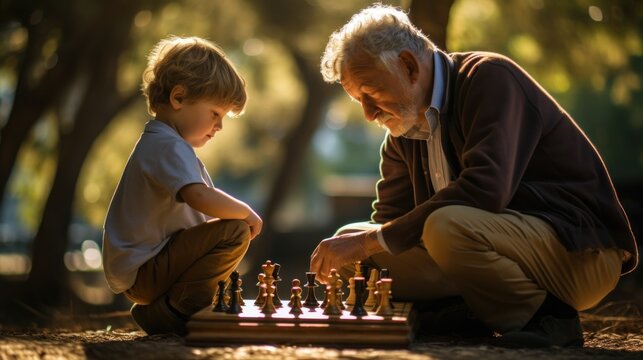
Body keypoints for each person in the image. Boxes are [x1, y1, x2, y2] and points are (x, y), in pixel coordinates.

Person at [310, 5, 638, 348]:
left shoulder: (490, 78)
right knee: (349, 247)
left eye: (371, 93)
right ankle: (458, 314)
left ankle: (548, 319)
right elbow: (392, 226)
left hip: (579, 254)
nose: (367, 113)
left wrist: (371, 240)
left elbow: (484, 191)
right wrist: (363, 246)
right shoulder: (401, 133)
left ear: (408, 66)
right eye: (357, 99)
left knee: (441, 225)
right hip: (482, 254)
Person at [102, 36, 262, 335]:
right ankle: (178, 311)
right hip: (146, 271)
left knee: (224, 230)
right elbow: (198, 196)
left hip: (146, 269)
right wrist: (245, 212)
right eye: (215, 113)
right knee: (235, 230)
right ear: (178, 98)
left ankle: (166, 310)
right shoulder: (168, 145)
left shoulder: (162, 142)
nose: (220, 126)